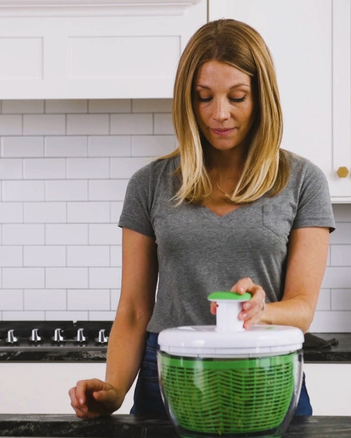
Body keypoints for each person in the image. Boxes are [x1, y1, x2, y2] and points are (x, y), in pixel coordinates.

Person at [68, 18, 335, 419]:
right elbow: (134, 309)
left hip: (264, 371)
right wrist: (115, 390)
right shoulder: (150, 184)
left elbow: (302, 306)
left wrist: (262, 310)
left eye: (237, 97)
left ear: (262, 98)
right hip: (168, 374)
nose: (220, 113)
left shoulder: (302, 181)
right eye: (204, 97)